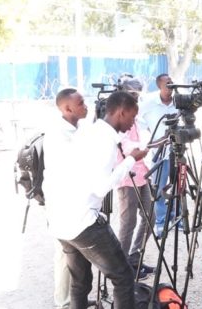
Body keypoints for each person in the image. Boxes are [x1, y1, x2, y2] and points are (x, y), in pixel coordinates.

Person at [46, 91, 147, 309]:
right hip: (82, 222)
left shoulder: (91, 131)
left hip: (60, 220)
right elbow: (101, 187)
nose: (133, 123)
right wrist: (130, 160)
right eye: (132, 117)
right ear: (121, 112)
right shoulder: (103, 141)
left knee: (80, 282)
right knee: (123, 276)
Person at [43, 88, 89, 309]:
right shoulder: (58, 135)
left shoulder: (78, 128)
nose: (86, 105)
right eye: (81, 103)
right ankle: (63, 302)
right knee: (64, 257)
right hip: (62, 207)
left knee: (78, 256)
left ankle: (77, 298)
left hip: (76, 206)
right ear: (67, 108)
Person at [114, 78, 155, 280]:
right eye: (131, 94)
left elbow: (143, 140)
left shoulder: (136, 117)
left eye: (137, 94)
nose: (135, 98)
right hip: (126, 177)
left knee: (150, 217)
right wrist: (140, 148)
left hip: (143, 174)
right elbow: (124, 145)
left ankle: (134, 257)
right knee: (127, 223)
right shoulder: (118, 117)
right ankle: (122, 269)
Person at [139, 73, 177, 237]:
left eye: (171, 82)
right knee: (159, 188)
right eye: (167, 83)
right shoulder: (149, 103)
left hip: (178, 150)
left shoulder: (178, 101)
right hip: (159, 153)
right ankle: (161, 221)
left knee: (178, 185)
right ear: (159, 85)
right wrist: (155, 141)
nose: (170, 85)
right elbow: (140, 126)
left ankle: (178, 217)